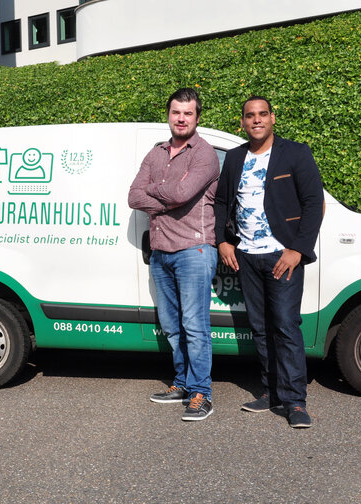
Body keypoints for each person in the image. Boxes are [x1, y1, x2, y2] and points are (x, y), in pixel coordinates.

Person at [214, 96, 324, 428]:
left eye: (263, 114)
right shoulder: (235, 158)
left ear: (273, 118)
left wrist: (297, 249)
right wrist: (222, 241)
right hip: (246, 256)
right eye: (250, 115)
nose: (257, 120)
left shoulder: (295, 153)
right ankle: (272, 391)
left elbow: (314, 202)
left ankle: (295, 402)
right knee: (260, 328)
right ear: (243, 122)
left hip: (282, 256)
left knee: (286, 326)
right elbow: (222, 202)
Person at [128, 88, 220, 421]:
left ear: (197, 117)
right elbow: (133, 197)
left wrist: (154, 190)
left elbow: (182, 192)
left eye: (188, 113)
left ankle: (201, 393)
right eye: (176, 112)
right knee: (172, 326)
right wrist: (166, 196)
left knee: (195, 326)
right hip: (161, 252)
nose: (181, 119)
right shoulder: (156, 154)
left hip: (194, 251)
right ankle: (182, 383)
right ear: (168, 114)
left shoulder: (204, 154)